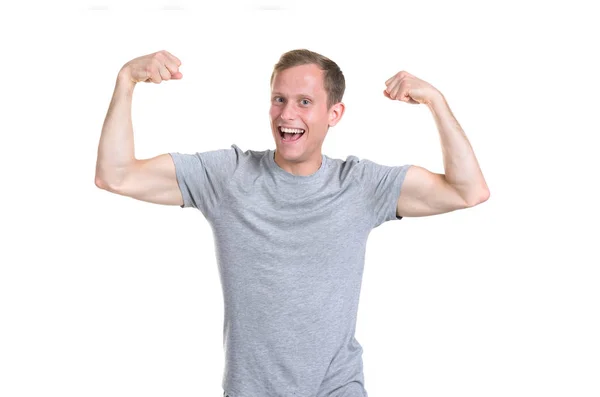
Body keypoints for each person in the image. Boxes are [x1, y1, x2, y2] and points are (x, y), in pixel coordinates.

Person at [95, 49, 489, 397]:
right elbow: (116, 175)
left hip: (338, 387)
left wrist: (436, 101)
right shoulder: (227, 176)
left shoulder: (360, 185)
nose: (287, 114)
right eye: (279, 100)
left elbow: (467, 191)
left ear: (334, 113)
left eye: (304, 102)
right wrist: (126, 79)